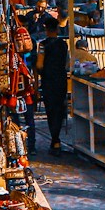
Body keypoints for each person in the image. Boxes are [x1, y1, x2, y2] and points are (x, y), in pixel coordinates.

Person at [36, 15, 68, 152]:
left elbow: (39, 64)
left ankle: (55, 140)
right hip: (61, 79)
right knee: (60, 109)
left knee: (50, 110)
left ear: (46, 30)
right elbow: (67, 62)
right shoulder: (63, 44)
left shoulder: (43, 45)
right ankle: (57, 140)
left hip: (48, 80)